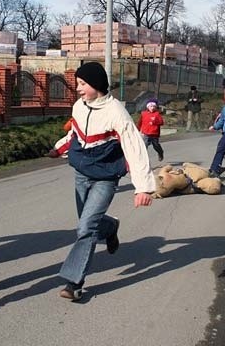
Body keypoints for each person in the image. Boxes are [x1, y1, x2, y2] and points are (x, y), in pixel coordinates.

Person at [48, 62, 155, 301]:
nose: (78, 89)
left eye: (83, 84)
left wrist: (143, 187)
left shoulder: (116, 112)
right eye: (78, 84)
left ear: (96, 85)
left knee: (85, 228)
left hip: (105, 177)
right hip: (82, 173)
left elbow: (134, 148)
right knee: (89, 223)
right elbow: (75, 134)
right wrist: (58, 148)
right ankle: (110, 227)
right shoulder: (79, 106)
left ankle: (73, 282)